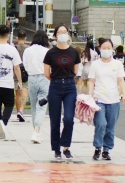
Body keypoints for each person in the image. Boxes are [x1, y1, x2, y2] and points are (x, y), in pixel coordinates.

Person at [43, 24, 80, 159]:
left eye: (65, 32)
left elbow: (75, 71)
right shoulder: (50, 53)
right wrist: (56, 80)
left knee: (69, 118)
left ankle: (66, 146)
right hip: (55, 86)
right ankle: (56, 148)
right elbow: (47, 73)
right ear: (55, 36)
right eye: (60, 32)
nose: (63, 34)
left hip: (70, 86)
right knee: (55, 119)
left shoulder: (74, 52)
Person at [88, 38, 125, 161]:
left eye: (108, 48)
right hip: (99, 98)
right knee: (101, 124)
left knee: (110, 126)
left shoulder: (117, 64)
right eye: (103, 48)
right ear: (99, 49)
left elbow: (120, 80)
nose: (106, 50)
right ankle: (97, 147)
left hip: (114, 99)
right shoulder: (95, 64)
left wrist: (124, 95)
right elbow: (91, 81)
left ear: (112, 49)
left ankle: (106, 149)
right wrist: (90, 97)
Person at [22, 29, 50, 144]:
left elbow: (25, 65)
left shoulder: (27, 50)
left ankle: (36, 131)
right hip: (44, 78)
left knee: (34, 106)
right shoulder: (47, 51)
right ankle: (37, 130)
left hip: (32, 78)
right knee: (42, 106)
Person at [14, 30, 29, 122]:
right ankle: (21, 111)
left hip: (15, 71)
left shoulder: (14, 48)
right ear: (25, 38)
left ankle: (18, 112)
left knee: (17, 94)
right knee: (25, 92)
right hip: (25, 72)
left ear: (17, 38)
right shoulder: (28, 48)